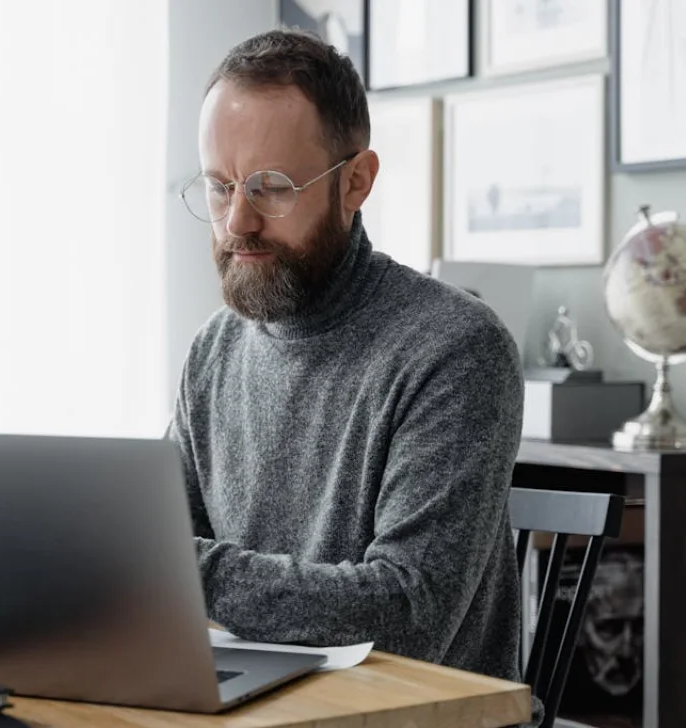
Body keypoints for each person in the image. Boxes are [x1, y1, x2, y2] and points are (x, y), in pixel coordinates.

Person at [167, 27, 530, 704]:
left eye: (270, 187)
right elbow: (156, 551)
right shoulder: (212, 351)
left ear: (356, 182)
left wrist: (178, 572)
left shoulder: (454, 348)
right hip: (262, 708)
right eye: (219, 188)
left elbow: (403, 612)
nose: (237, 221)